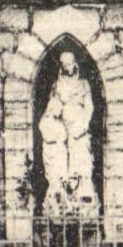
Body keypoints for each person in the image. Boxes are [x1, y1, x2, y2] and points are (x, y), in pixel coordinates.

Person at [39, 49, 97, 215]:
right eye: (65, 65)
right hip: (63, 128)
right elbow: (52, 108)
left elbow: (89, 107)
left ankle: (82, 192)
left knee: (81, 156)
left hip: (79, 127)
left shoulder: (83, 84)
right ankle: (62, 192)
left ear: (75, 64)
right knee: (61, 156)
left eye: (70, 64)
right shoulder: (58, 85)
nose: (68, 67)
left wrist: (83, 125)